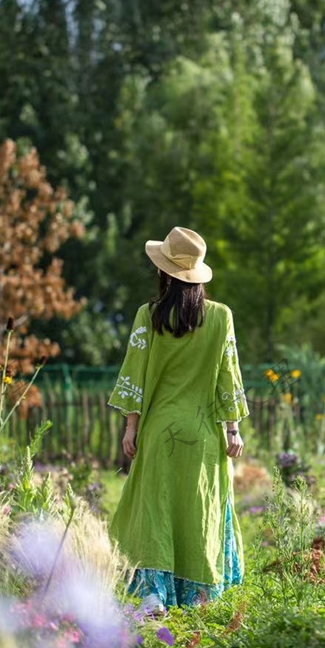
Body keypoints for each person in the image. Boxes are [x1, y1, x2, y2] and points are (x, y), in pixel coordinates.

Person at [107, 226, 249, 608]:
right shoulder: (221, 317)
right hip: (203, 435)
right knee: (198, 511)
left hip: (157, 432)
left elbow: (134, 375)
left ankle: (153, 597)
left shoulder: (148, 316)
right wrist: (232, 430)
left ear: (163, 272)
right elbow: (227, 375)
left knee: (154, 511)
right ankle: (200, 599)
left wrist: (131, 428)